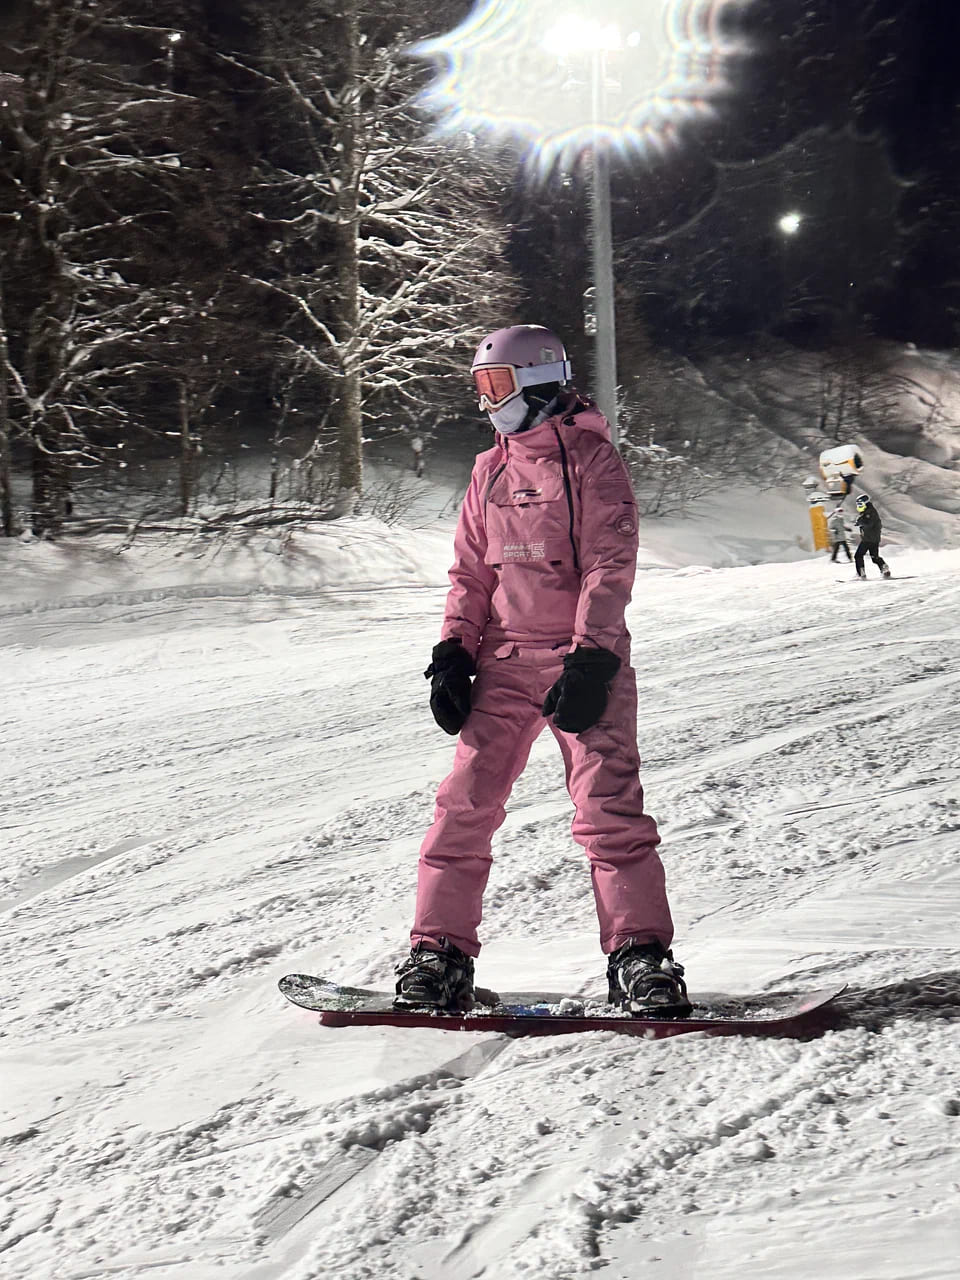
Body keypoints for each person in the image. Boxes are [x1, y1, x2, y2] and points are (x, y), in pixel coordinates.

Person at [394, 324, 690, 1017]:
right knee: (462, 808)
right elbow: (471, 571)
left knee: (608, 809)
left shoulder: (592, 461)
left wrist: (592, 657)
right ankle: (439, 954)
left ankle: (640, 955)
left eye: (496, 385)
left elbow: (608, 566)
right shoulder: (489, 469)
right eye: (480, 387)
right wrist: (454, 651)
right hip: (503, 663)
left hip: (581, 662)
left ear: (537, 381)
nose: (487, 400)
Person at [853, 493, 891, 579]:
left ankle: (861, 573)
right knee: (874, 557)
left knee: (858, 556)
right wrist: (860, 522)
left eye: (860, 504)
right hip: (874, 539)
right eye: (858, 504)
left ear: (865, 503)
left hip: (868, 539)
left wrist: (860, 522)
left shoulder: (869, 512)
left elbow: (869, 524)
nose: (859, 506)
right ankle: (884, 567)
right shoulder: (868, 511)